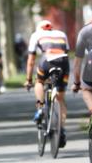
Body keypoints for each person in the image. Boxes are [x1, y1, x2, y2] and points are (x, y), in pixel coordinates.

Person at [25, 19, 70, 147]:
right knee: (60, 99)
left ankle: (40, 108)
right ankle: (61, 129)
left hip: (47, 60)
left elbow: (31, 60)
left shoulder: (36, 34)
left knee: (39, 81)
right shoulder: (62, 34)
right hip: (63, 62)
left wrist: (28, 80)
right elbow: (66, 52)